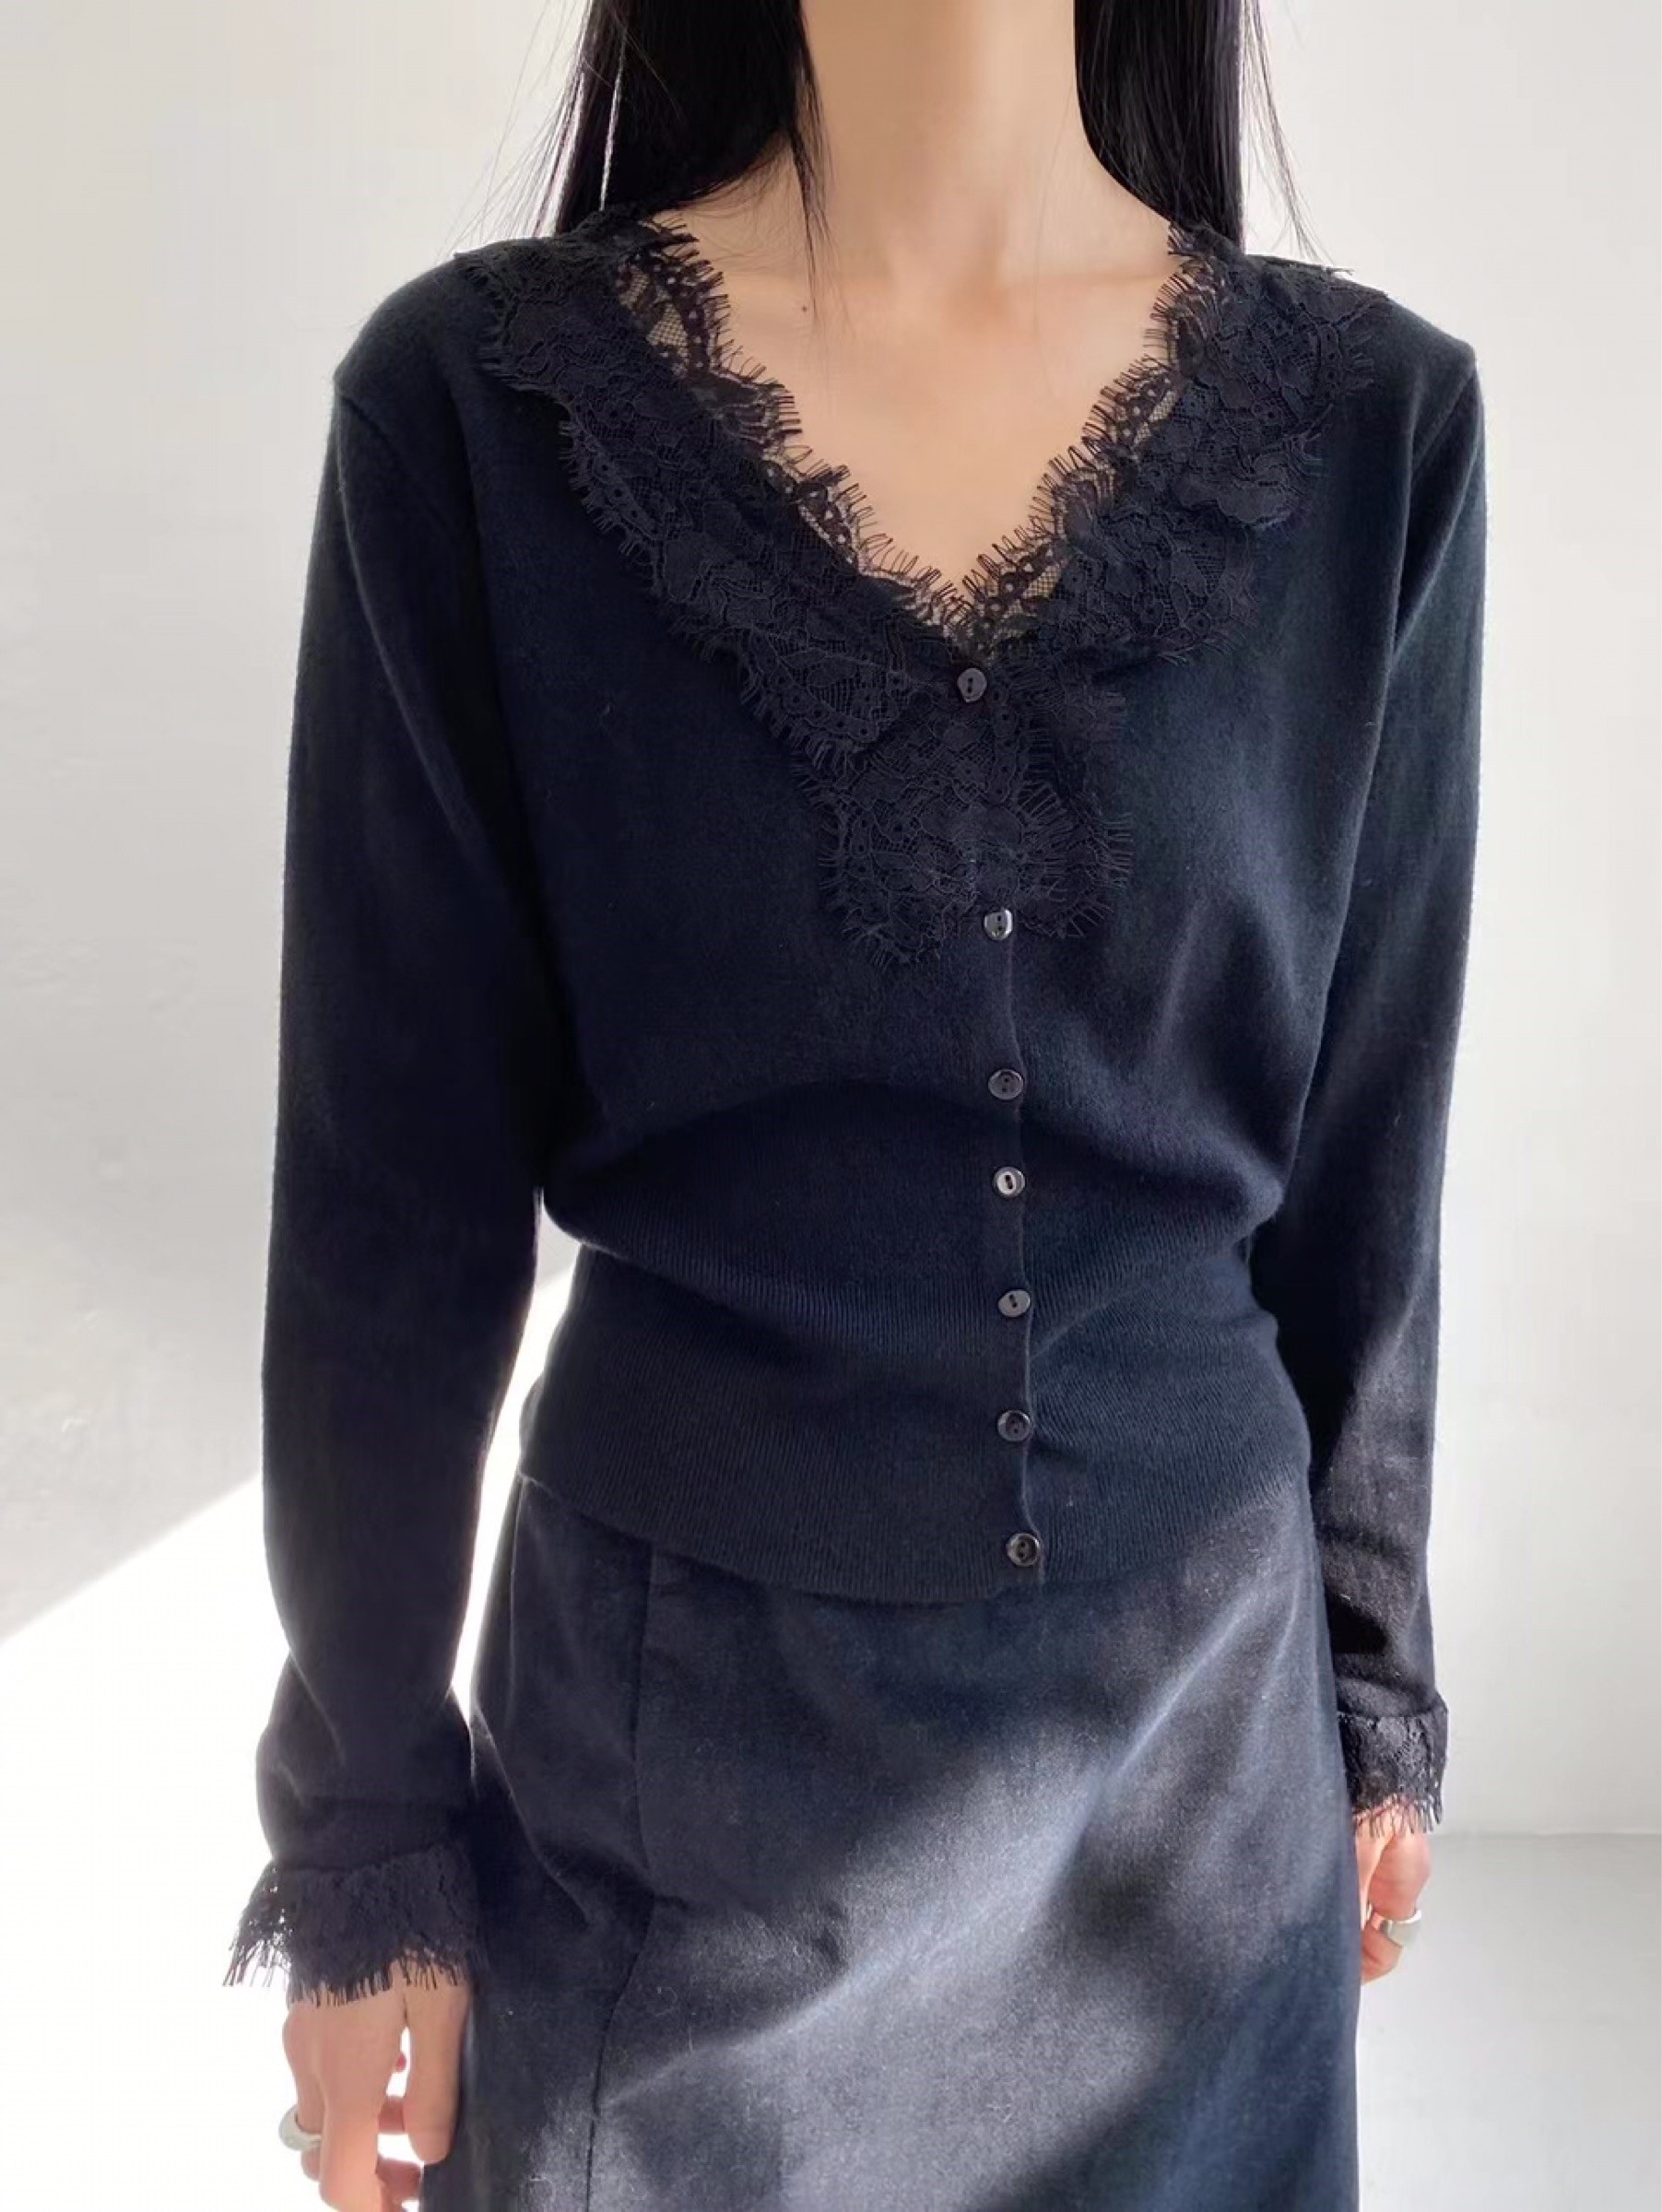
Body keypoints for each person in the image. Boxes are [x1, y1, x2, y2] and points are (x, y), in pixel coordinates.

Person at [226, 3, 1486, 2206]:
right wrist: (365, 1839)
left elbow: (1368, 1144)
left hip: (1195, 1798)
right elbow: (385, 1210)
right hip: (665, 1792)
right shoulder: (477, 413)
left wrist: (1368, 1671)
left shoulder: (1373, 427)